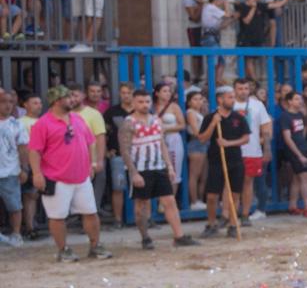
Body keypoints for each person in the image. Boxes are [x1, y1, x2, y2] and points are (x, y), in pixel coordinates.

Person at [28, 85, 109, 261]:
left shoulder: (77, 119)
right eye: (68, 97)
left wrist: (91, 163)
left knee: (91, 212)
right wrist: (37, 173)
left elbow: (90, 142)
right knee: (57, 216)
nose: (72, 99)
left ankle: (95, 246)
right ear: (57, 101)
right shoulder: (43, 123)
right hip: (56, 177)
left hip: (81, 176)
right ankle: (63, 249)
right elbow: (34, 151)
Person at [120, 88, 198, 249]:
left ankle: (179, 236)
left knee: (169, 200)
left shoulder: (156, 120)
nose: (144, 105)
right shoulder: (129, 123)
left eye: (147, 101)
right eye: (140, 102)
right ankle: (145, 237)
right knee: (142, 204)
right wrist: (134, 173)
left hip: (158, 166)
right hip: (141, 168)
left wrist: (169, 165)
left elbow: (161, 143)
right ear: (134, 102)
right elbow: (125, 150)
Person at [200, 85, 250, 235]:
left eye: (233, 97)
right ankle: (211, 223)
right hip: (216, 161)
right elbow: (202, 138)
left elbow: (246, 138)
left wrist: (229, 143)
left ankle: (233, 224)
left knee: (235, 194)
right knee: (212, 196)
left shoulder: (239, 118)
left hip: (235, 160)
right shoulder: (210, 117)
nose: (233, 100)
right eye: (230, 97)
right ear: (220, 99)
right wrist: (213, 124)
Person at [275, 89, 307, 216]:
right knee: (305, 176)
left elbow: (303, 131)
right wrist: (299, 154)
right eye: (297, 99)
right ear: (289, 101)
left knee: (296, 179)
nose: (300, 101)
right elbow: (287, 137)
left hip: (302, 148)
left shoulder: (299, 115)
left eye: (300, 99)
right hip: (295, 150)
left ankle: (292, 206)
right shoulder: (285, 116)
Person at [0, 88, 26, 246]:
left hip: (10, 171)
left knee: (14, 205)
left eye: (10, 102)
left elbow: (23, 147)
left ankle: (16, 234)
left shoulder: (17, 124)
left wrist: (25, 169)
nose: (7, 105)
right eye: (3, 102)